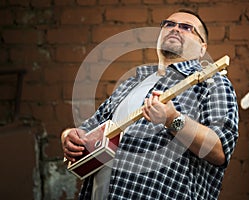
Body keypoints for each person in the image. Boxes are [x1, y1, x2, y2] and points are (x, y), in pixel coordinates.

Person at [61, 9, 239, 200]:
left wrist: (173, 120)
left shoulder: (213, 82)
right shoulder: (131, 83)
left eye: (186, 27)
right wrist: (69, 136)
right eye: (169, 25)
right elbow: (89, 130)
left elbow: (220, 150)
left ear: (202, 48)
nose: (175, 29)